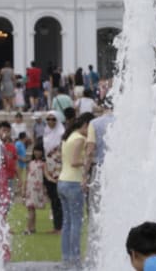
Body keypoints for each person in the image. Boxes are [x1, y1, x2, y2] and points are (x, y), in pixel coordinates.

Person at [58, 113, 93, 268]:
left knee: (67, 222)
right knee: (76, 223)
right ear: (85, 125)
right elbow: (74, 161)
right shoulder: (80, 139)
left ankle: (66, 257)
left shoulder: (68, 136)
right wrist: (87, 161)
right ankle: (75, 258)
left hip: (62, 181)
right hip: (73, 182)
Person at [0, 121, 18, 262]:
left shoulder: (11, 147)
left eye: (7, 130)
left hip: (7, 181)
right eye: (3, 130)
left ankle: (3, 249)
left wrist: (18, 179)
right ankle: (1, 249)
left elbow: (14, 164)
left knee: (3, 214)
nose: (5, 133)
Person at [42, 113, 64, 234]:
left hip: (59, 168)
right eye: (48, 119)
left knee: (59, 199)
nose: (50, 121)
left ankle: (61, 226)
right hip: (48, 168)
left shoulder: (61, 133)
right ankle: (57, 226)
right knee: (53, 199)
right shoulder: (46, 132)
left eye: (53, 119)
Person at [23, 143, 46, 235]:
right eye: (35, 150)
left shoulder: (43, 164)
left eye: (39, 151)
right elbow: (26, 176)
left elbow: (46, 175)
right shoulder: (30, 163)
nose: (37, 153)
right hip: (30, 187)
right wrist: (23, 189)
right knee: (31, 208)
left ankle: (28, 228)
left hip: (37, 189)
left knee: (31, 208)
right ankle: (32, 227)